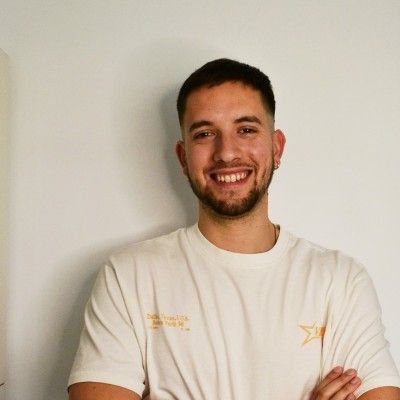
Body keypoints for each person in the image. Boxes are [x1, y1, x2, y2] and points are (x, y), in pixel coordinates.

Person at [68, 59, 400, 399]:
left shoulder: (340, 282)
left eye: (246, 130)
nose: (226, 153)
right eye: (205, 134)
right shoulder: (130, 276)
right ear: (183, 158)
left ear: (277, 147)